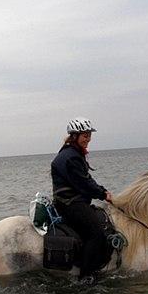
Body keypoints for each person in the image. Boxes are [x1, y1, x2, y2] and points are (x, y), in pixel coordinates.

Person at [50, 118, 114, 282]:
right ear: (74, 136)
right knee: (97, 234)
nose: (88, 139)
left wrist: (100, 190)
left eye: (89, 135)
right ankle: (85, 276)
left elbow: (85, 179)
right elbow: (84, 182)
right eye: (85, 136)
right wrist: (103, 193)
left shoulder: (71, 153)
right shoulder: (71, 157)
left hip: (70, 202)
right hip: (71, 204)